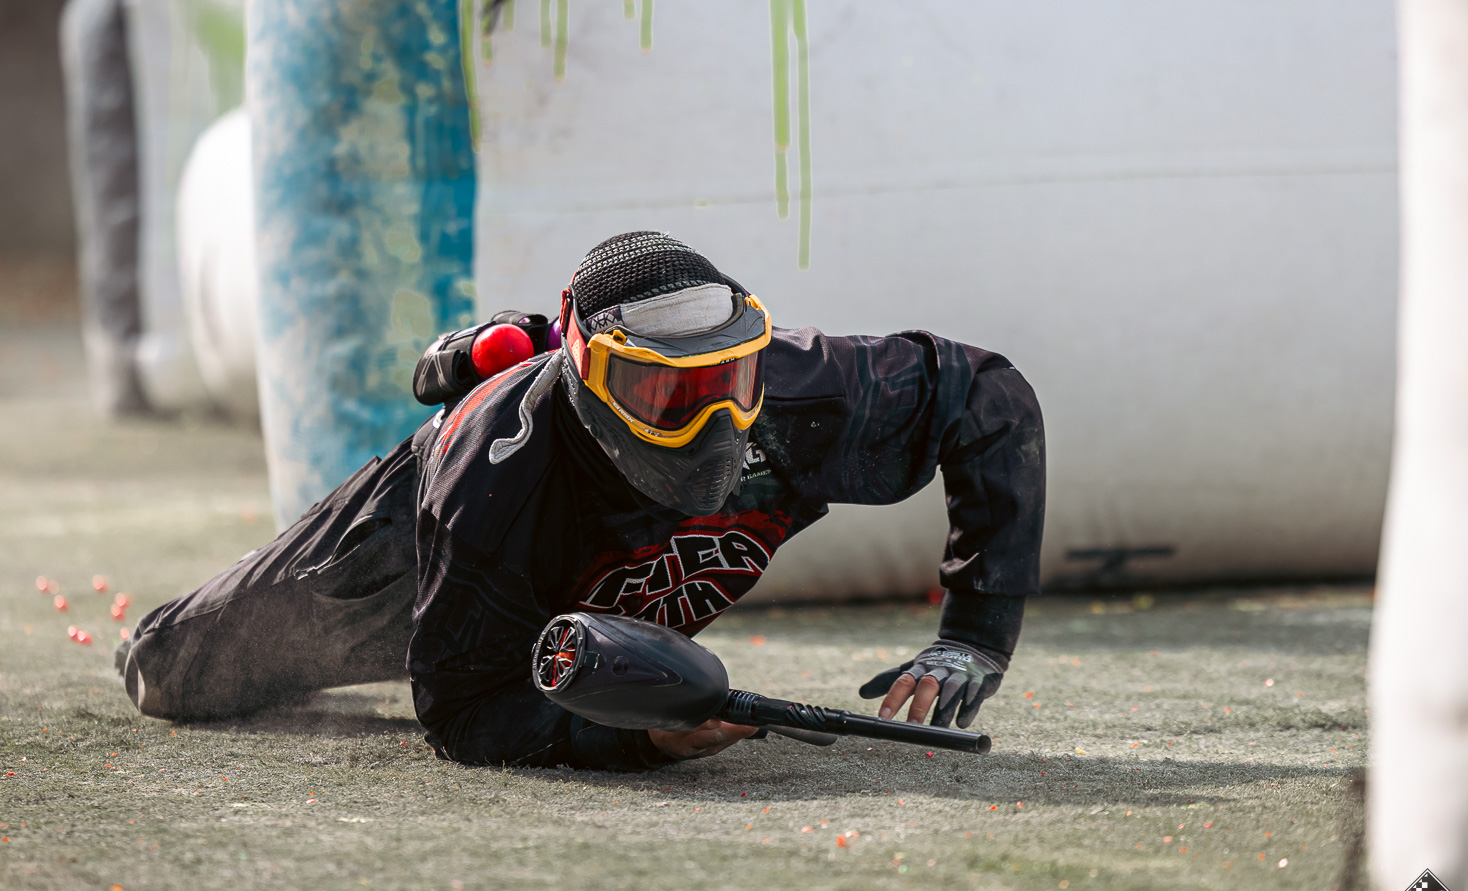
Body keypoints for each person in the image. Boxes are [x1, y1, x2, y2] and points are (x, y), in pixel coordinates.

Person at [116, 232, 1046, 771]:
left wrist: (975, 633)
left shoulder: (805, 394)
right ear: (593, 381)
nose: (715, 425)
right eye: (667, 395)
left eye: (728, 380)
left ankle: (520, 339)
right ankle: (509, 352)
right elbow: (463, 713)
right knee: (169, 674)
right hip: (404, 545)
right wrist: (640, 744)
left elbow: (990, 399)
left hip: (560, 558)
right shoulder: (489, 490)